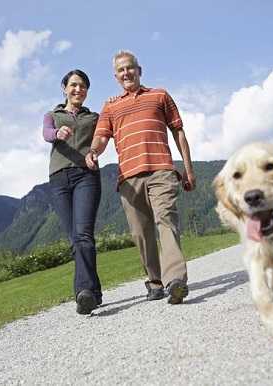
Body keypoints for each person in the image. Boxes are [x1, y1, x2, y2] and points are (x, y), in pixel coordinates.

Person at [86, 51, 196, 304]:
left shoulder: (160, 95)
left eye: (130, 68)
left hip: (161, 169)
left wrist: (189, 170)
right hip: (129, 177)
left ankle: (175, 280)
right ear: (116, 77)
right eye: (121, 70)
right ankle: (155, 282)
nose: (126, 73)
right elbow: (102, 137)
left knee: (166, 220)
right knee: (140, 232)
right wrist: (93, 152)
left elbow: (179, 132)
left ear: (139, 70)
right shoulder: (110, 106)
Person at [43, 69, 102, 314]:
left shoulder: (94, 117)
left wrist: (94, 152)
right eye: (74, 85)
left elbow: (102, 138)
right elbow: (46, 133)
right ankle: (93, 292)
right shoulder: (52, 115)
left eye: (83, 87)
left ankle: (83, 293)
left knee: (83, 235)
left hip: (86, 176)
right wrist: (58, 133)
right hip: (58, 180)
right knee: (75, 240)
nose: (79, 90)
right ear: (65, 88)